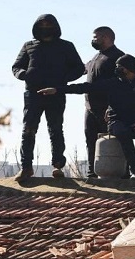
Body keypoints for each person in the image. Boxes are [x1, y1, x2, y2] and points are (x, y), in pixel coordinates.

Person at [39, 54, 135, 186]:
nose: (117, 69)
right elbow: (86, 87)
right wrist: (57, 89)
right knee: (122, 132)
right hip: (116, 123)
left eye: (120, 67)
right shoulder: (113, 83)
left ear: (130, 69)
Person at [12, 14, 85, 183]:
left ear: (55, 27)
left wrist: (61, 81)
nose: (45, 28)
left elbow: (78, 68)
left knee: (55, 129)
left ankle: (57, 166)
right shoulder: (29, 45)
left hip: (56, 93)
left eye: (48, 25)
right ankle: (26, 167)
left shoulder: (66, 46)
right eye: (42, 25)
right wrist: (24, 75)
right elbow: (16, 67)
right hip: (33, 94)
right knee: (28, 130)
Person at [82, 26, 124, 178]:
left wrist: (112, 107)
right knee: (91, 139)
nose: (93, 40)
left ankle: (122, 173)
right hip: (90, 107)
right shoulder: (95, 58)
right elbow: (80, 69)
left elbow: (122, 85)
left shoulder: (118, 57)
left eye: (95, 37)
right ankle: (92, 172)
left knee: (113, 141)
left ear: (105, 37)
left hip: (108, 109)